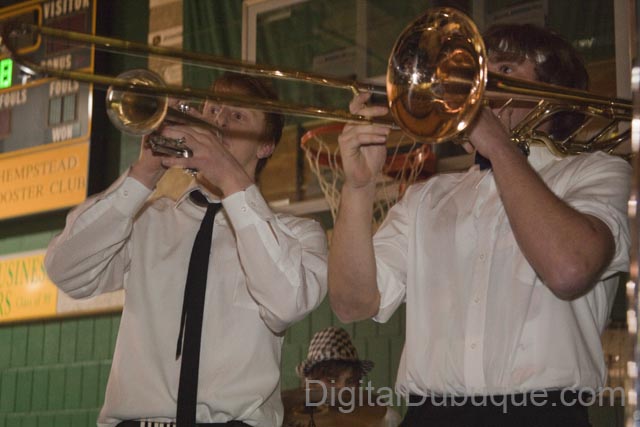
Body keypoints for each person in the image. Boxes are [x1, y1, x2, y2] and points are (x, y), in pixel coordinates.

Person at [328, 22, 631, 427]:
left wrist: (498, 144)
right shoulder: (425, 197)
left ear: (554, 93)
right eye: (475, 72)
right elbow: (351, 304)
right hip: (429, 415)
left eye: (502, 70)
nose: (477, 86)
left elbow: (569, 269)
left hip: (543, 416)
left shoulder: (599, 172)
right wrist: (359, 187)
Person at [45, 73, 328, 427]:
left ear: (265, 146)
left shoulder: (297, 235)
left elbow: (287, 303)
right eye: (213, 110)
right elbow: (64, 270)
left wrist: (228, 174)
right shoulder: (146, 220)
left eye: (237, 115)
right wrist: (144, 172)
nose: (219, 122)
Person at [282, 326, 401, 427]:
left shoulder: (385, 419)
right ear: (309, 383)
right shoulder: (291, 420)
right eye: (331, 380)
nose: (342, 388)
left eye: (350, 381)